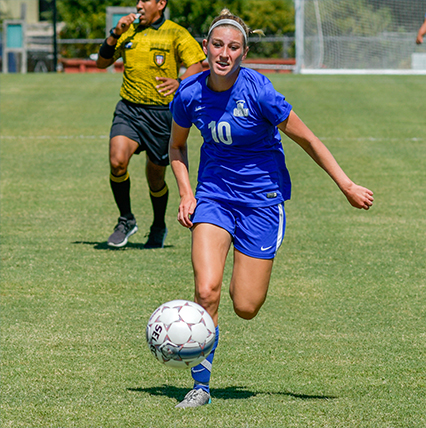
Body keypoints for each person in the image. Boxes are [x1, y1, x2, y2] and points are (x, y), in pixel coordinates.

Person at [168, 9, 374, 408]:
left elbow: (309, 140)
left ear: (244, 53)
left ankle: (241, 282)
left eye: (233, 47)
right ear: (205, 47)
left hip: (261, 203)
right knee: (206, 291)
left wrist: (346, 185)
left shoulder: (259, 91)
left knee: (245, 306)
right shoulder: (189, 93)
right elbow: (176, 146)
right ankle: (200, 387)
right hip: (214, 197)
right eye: (217, 45)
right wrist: (186, 193)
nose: (224, 54)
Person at [96, 0, 206, 249]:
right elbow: (102, 63)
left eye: (144, 0)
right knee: (117, 161)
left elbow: (197, 65)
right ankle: (126, 219)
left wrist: (180, 82)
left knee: (156, 178)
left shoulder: (176, 32)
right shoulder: (128, 31)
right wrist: (115, 33)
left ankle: (158, 226)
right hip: (129, 109)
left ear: (160, 4)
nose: (138, 5)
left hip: (161, 114)